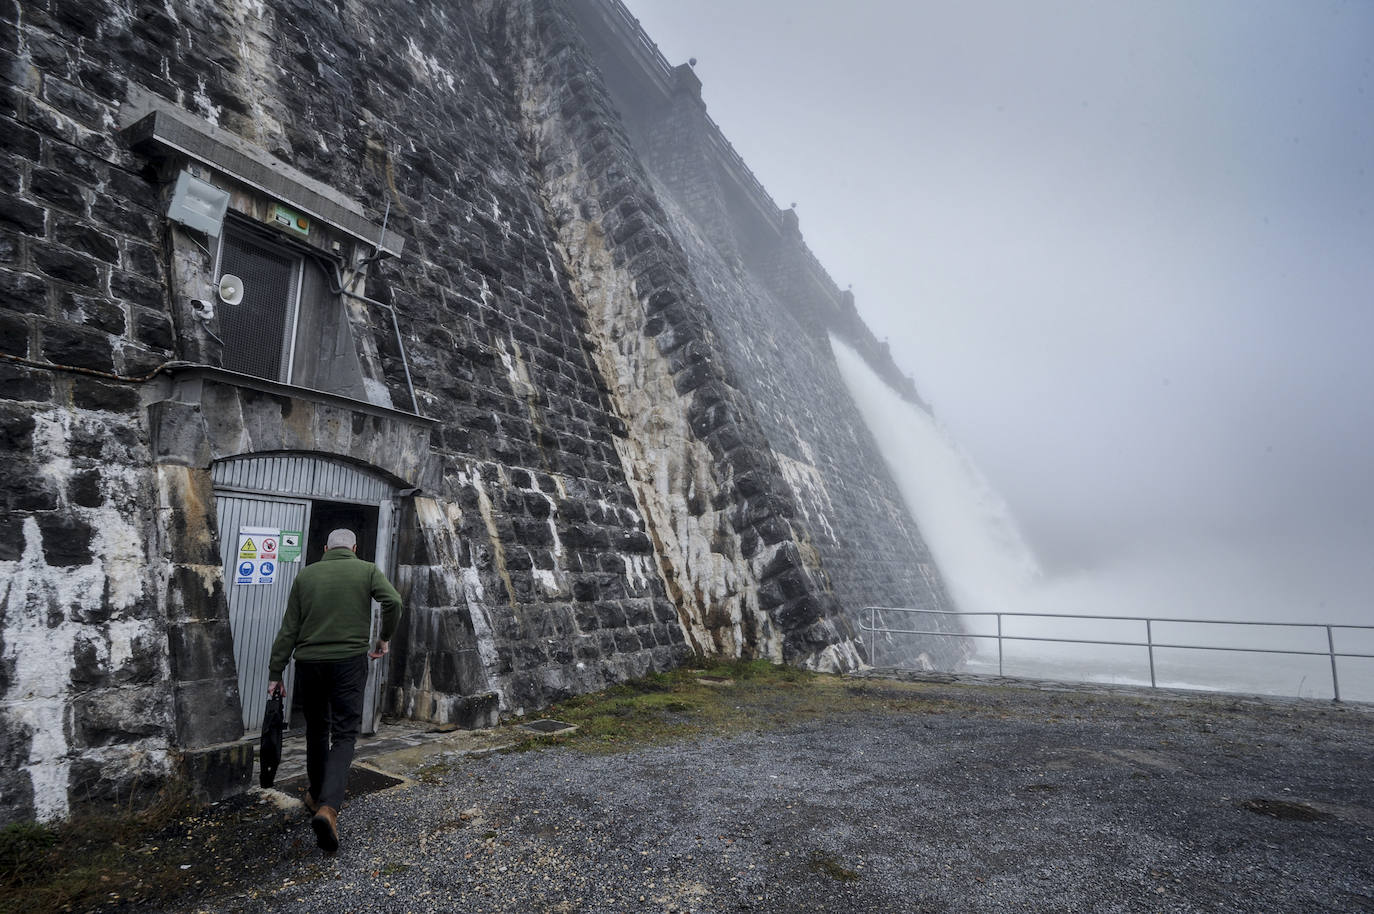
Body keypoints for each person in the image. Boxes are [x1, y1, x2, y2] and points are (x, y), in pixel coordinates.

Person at [267, 528, 403, 853]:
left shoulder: (306, 576)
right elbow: (394, 601)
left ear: (326, 548)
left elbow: (289, 628)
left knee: (316, 729)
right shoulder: (367, 570)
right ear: (354, 548)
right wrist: (383, 638)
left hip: (310, 663)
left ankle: (315, 796)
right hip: (348, 663)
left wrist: (276, 672)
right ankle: (329, 807)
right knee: (343, 734)